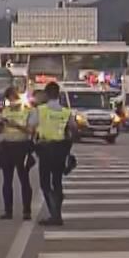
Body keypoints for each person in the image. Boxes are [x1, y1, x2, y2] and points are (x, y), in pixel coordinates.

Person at [30, 81, 75, 225]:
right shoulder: (66, 112)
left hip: (45, 149)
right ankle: (58, 214)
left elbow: (31, 126)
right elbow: (73, 129)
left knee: (45, 183)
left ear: (47, 94)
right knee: (57, 182)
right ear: (58, 94)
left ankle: (54, 214)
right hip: (60, 150)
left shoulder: (40, 110)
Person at [0, 86, 35, 220]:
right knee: (7, 181)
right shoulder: (5, 111)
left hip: (22, 146)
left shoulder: (29, 111)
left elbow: (31, 131)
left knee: (24, 180)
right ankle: (8, 211)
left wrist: (15, 124)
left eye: (14, 97)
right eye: (9, 98)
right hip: (7, 146)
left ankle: (27, 211)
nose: (12, 101)